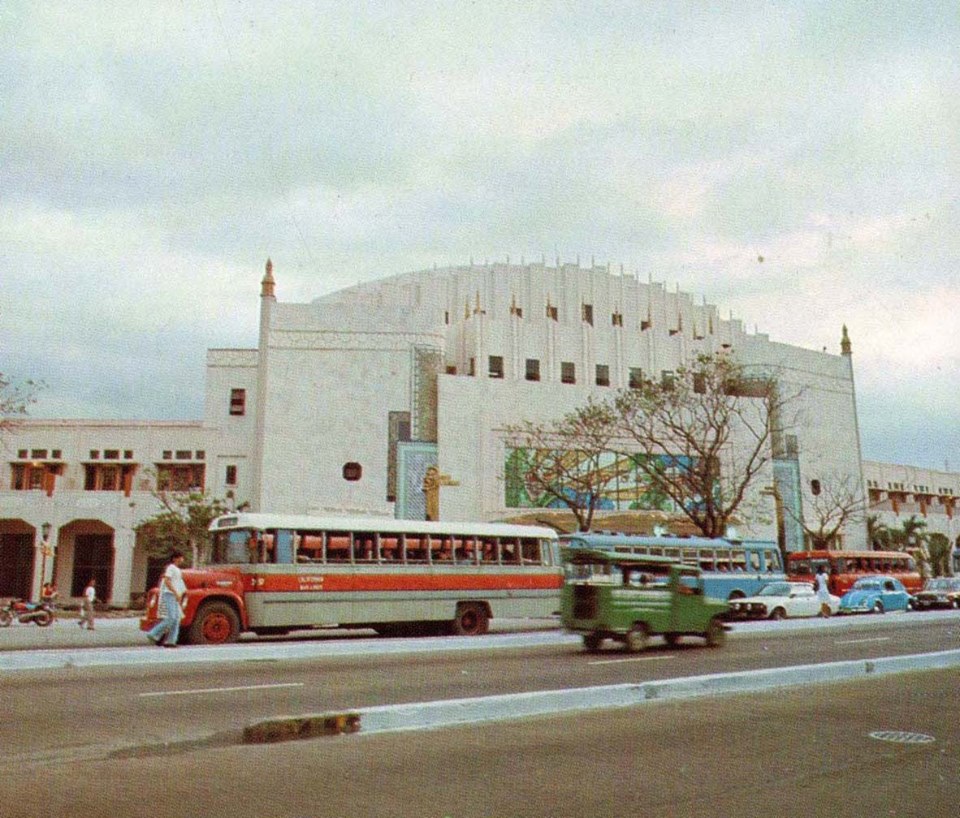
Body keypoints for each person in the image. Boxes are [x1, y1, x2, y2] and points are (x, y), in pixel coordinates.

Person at [146, 551, 187, 648]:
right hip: (169, 594)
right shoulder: (171, 568)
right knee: (171, 617)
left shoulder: (177, 569)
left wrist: (179, 594)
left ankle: (171, 641)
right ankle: (153, 633)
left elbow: (178, 583)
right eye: (180, 557)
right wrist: (175, 592)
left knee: (176, 619)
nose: (182, 559)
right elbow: (167, 581)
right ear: (175, 558)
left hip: (175, 595)